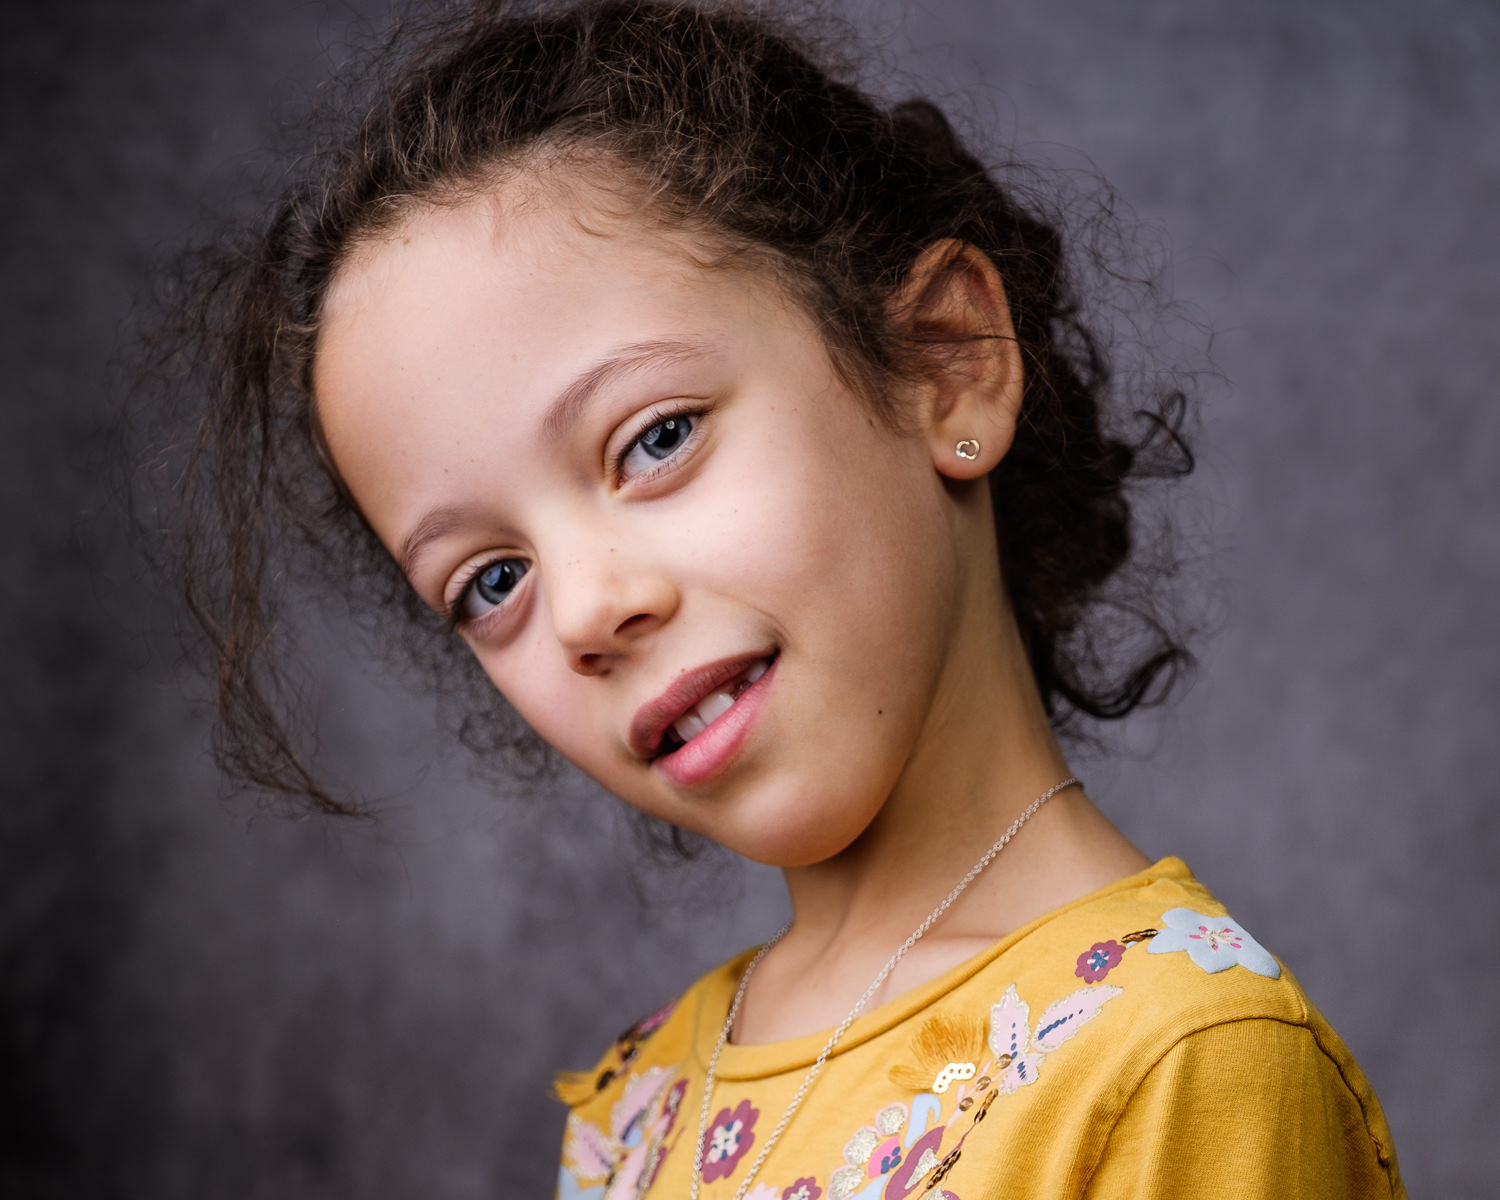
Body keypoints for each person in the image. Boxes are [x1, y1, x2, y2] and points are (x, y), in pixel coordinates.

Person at [159, 2, 1404, 1196]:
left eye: (655, 439)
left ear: (947, 363)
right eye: (492, 581)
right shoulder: (641, 1105)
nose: (586, 613)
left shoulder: (1180, 1064)